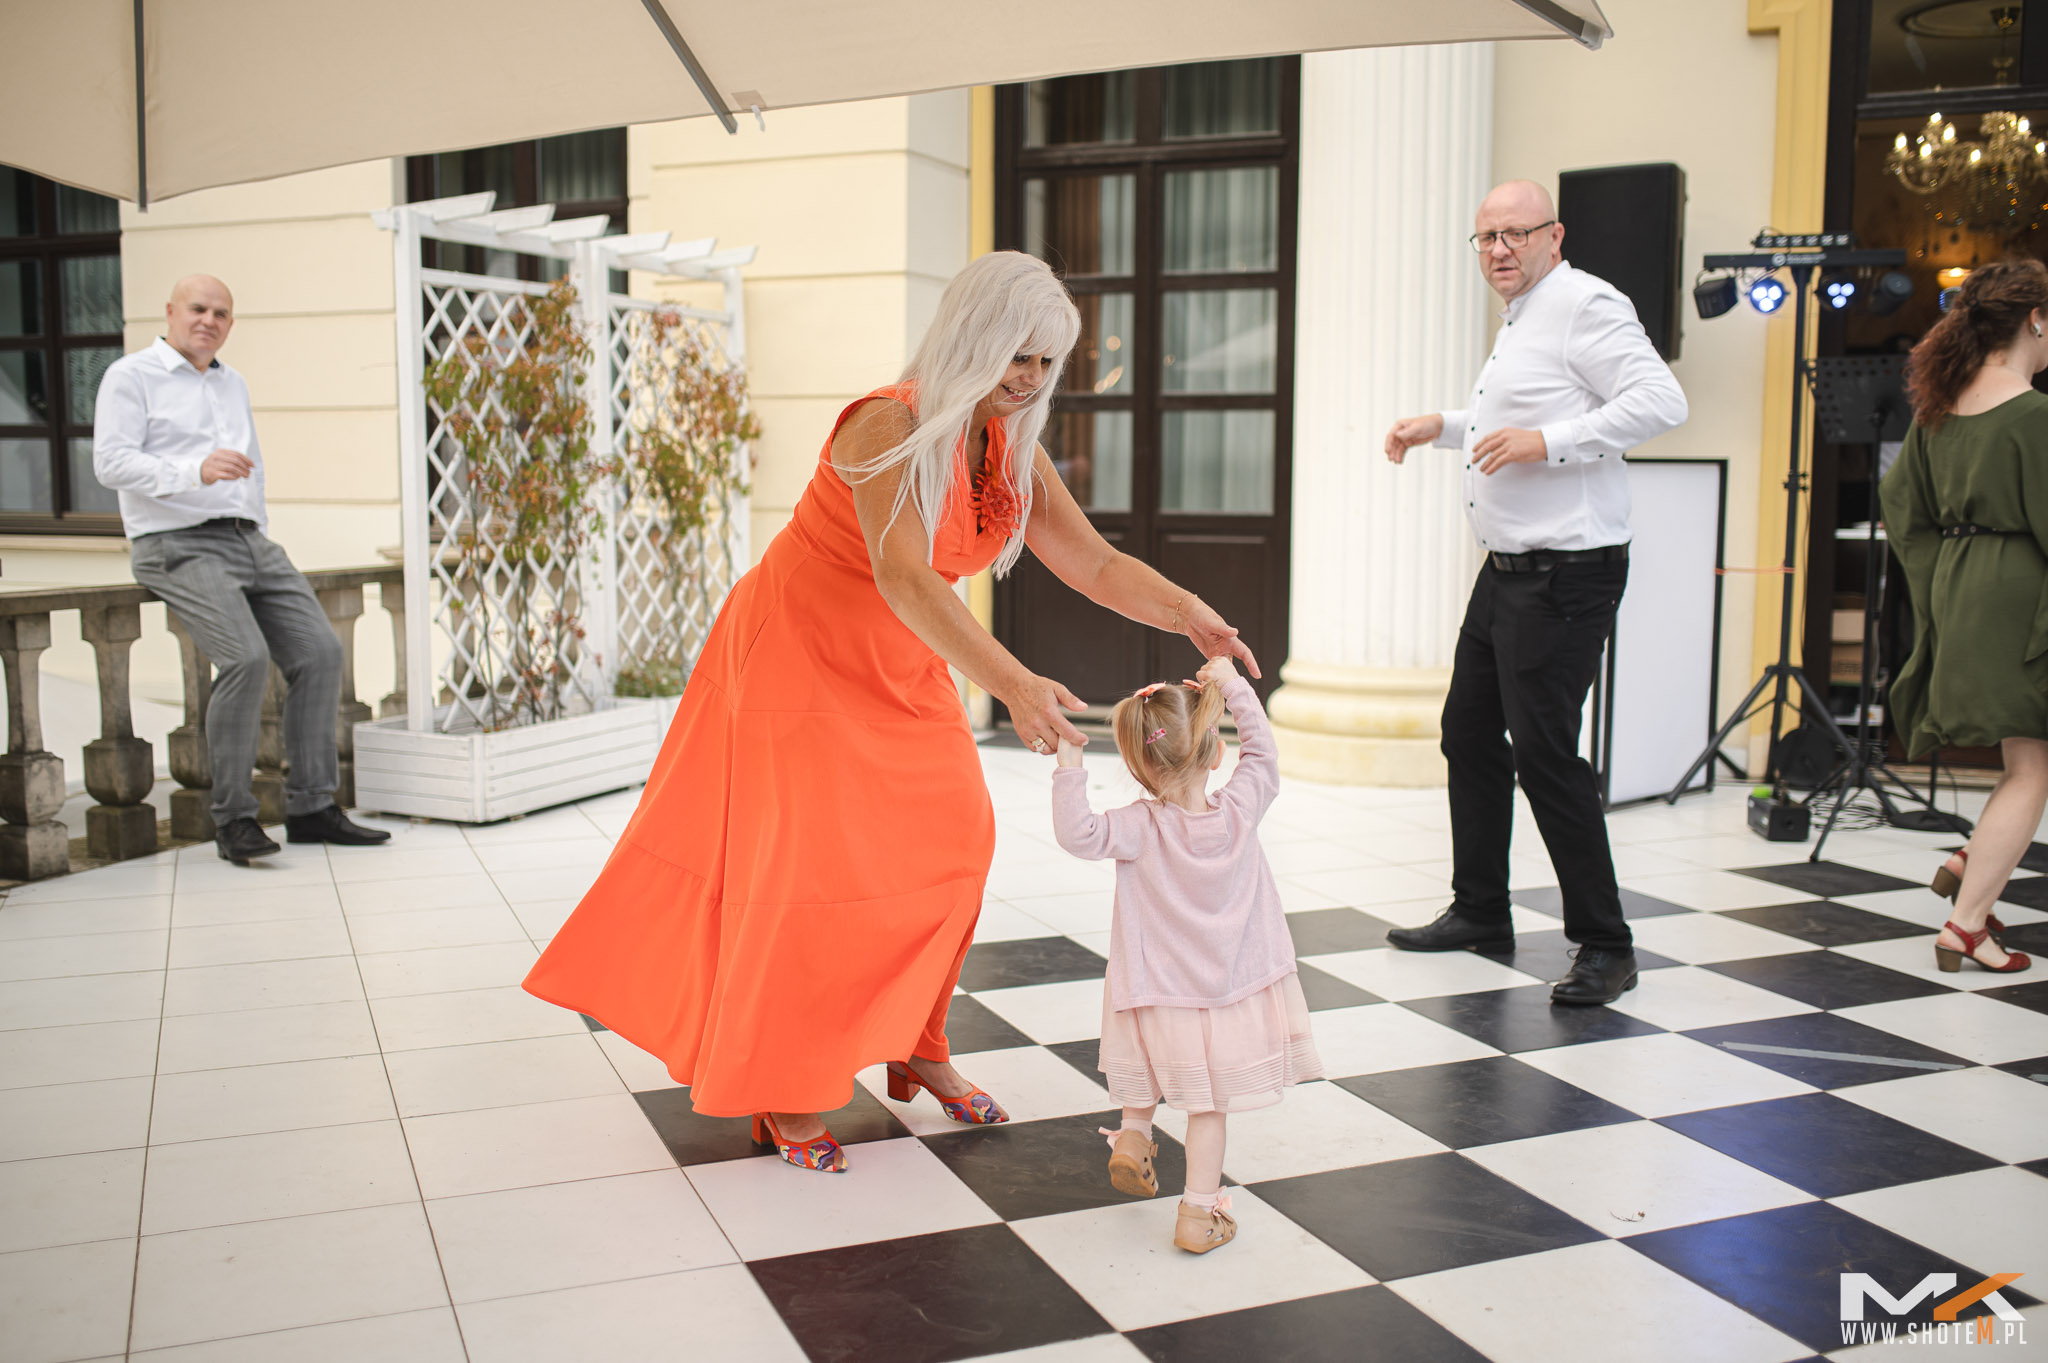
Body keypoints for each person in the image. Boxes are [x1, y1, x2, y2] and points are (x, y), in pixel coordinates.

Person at [523, 251, 1261, 1172]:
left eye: (1046, 362)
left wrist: (1189, 613)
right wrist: (1014, 682)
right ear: (971, 337)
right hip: (799, 651)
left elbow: (1096, 563)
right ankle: (785, 1085)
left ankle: (916, 1039)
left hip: (903, 656)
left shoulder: (1008, 446)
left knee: (957, 841)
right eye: (1017, 355)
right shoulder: (885, 422)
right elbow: (904, 573)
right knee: (807, 874)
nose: (1029, 378)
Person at [1381, 180, 1687, 1005]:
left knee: (1546, 754)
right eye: (1486, 237)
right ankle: (1482, 908)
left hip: (1567, 574)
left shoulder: (1586, 304)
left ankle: (1606, 944)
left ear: (1556, 235)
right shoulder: (1525, 316)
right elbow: (1513, 421)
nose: (1499, 249)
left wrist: (1549, 442)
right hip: (1508, 570)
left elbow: (1661, 401)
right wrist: (1442, 427)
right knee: (1468, 732)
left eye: (1516, 233)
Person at [93, 274, 391, 865]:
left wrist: (253, 520)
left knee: (321, 652)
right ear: (171, 312)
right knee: (246, 658)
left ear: (230, 323)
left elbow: (249, 465)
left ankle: (311, 807)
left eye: (221, 313)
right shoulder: (131, 376)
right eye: (198, 309)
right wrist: (194, 471)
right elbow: (110, 463)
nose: (209, 320)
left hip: (247, 538)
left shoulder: (232, 383)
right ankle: (233, 819)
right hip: (175, 541)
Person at [1051, 654, 1320, 1255]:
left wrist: (1070, 766)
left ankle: (1133, 1133)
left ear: (1139, 767)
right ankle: (1198, 1213)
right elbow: (1264, 755)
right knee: (1208, 1107)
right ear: (1215, 754)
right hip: (1226, 993)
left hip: (1154, 990)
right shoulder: (1241, 809)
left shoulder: (1138, 826)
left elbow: (1078, 835)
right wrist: (1232, 686)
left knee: (1145, 1060)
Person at [1879, 257, 2048, 977]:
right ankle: (1967, 925)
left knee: (2025, 760)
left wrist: (1941, 586)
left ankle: (1971, 860)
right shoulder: (2034, 416)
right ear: (2035, 320)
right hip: (2021, 592)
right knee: (2031, 767)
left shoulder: (1939, 412)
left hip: (1961, 584)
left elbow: (1900, 507)